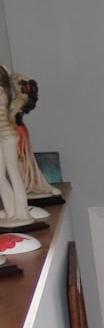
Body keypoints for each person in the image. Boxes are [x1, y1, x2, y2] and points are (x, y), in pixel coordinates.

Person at [11, 71, 61, 199]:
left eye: (16, 84)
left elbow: (10, 117)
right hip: (19, 130)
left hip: (17, 131)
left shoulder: (19, 101)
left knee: (20, 159)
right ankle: (25, 183)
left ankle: (26, 184)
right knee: (22, 159)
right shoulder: (21, 100)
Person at [0, 65, 32, 226]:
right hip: (3, 136)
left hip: (6, 136)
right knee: (1, 176)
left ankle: (21, 212)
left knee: (12, 172)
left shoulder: (2, 92)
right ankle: (12, 211)